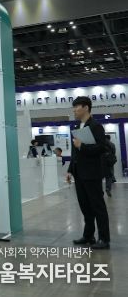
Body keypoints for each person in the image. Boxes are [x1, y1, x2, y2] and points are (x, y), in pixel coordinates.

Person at [65, 97, 110, 250]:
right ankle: (88, 235)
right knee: (85, 206)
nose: (74, 110)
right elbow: (75, 153)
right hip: (79, 174)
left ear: (86, 108)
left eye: (76, 107)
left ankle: (104, 239)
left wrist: (82, 146)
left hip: (92, 173)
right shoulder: (78, 126)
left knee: (98, 206)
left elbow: (101, 148)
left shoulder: (96, 126)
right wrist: (70, 170)